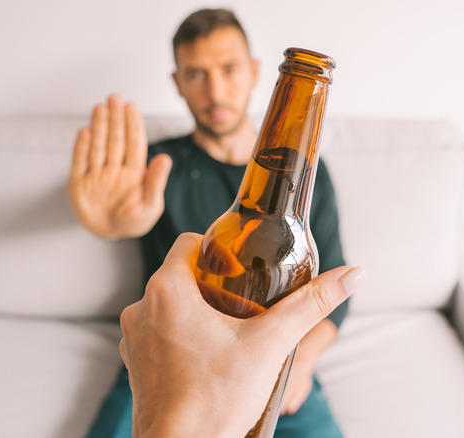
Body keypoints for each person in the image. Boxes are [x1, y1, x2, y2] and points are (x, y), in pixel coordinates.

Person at [68, 8, 350, 437]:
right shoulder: (155, 164)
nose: (216, 91)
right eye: (197, 74)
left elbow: (334, 289)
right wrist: (109, 224)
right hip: (168, 354)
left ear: (256, 72)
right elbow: (125, 216)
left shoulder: (309, 178)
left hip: (273, 361)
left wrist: (302, 363)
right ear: (177, 83)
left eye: (229, 69)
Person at [119, 233, 366, 437]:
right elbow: (131, 220)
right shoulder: (171, 175)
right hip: (164, 353)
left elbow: (335, 305)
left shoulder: (316, 185)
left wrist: (300, 364)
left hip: (281, 360)